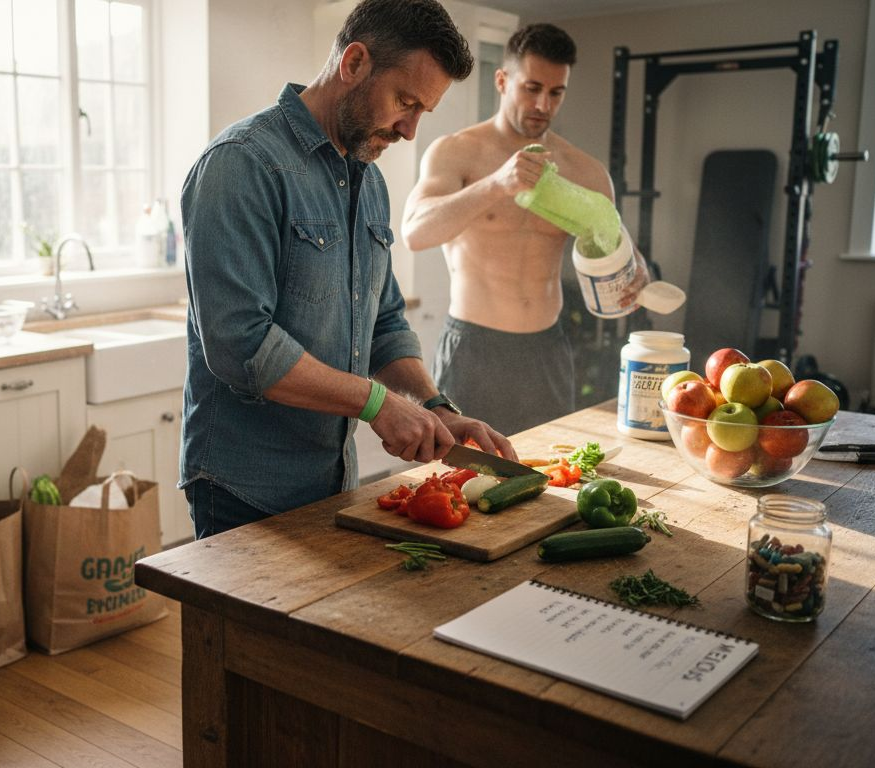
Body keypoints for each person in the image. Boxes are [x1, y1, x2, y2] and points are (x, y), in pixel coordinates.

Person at [179, 0, 515, 539]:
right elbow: (241, 345)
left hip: (332, 477)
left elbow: (383, 321)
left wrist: (435, 407)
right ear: (354, 62)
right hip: (244, 489)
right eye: (405, 102)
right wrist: (377, 403)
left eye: (423, 111)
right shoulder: (240, 164)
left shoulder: (368, 178)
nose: (409, 130)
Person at [401, 23, 611, 437]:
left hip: (546, 349)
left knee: (551, 481)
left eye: (555, 92)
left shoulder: (585, 171)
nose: (542, 104)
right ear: (502, 80)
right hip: (474, 348)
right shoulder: (456, 151)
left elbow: (613, 265)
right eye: (531, 88)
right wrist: (497, 184)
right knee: (460, 478)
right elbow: (415, 232)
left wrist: (627, 277)